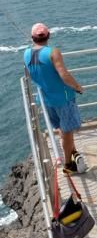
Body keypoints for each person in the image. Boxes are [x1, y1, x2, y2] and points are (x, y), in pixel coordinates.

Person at [24, 23, 84, 174]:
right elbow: (64, 75)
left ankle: (72, 150)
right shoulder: (53, 52)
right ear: (48, 35)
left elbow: (33, 74)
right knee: (67, 130)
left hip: (45, 99)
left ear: (32, 37)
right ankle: (69, 165)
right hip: (63, 98)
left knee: (61, 128)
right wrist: (78, 87)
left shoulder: (25, 54)